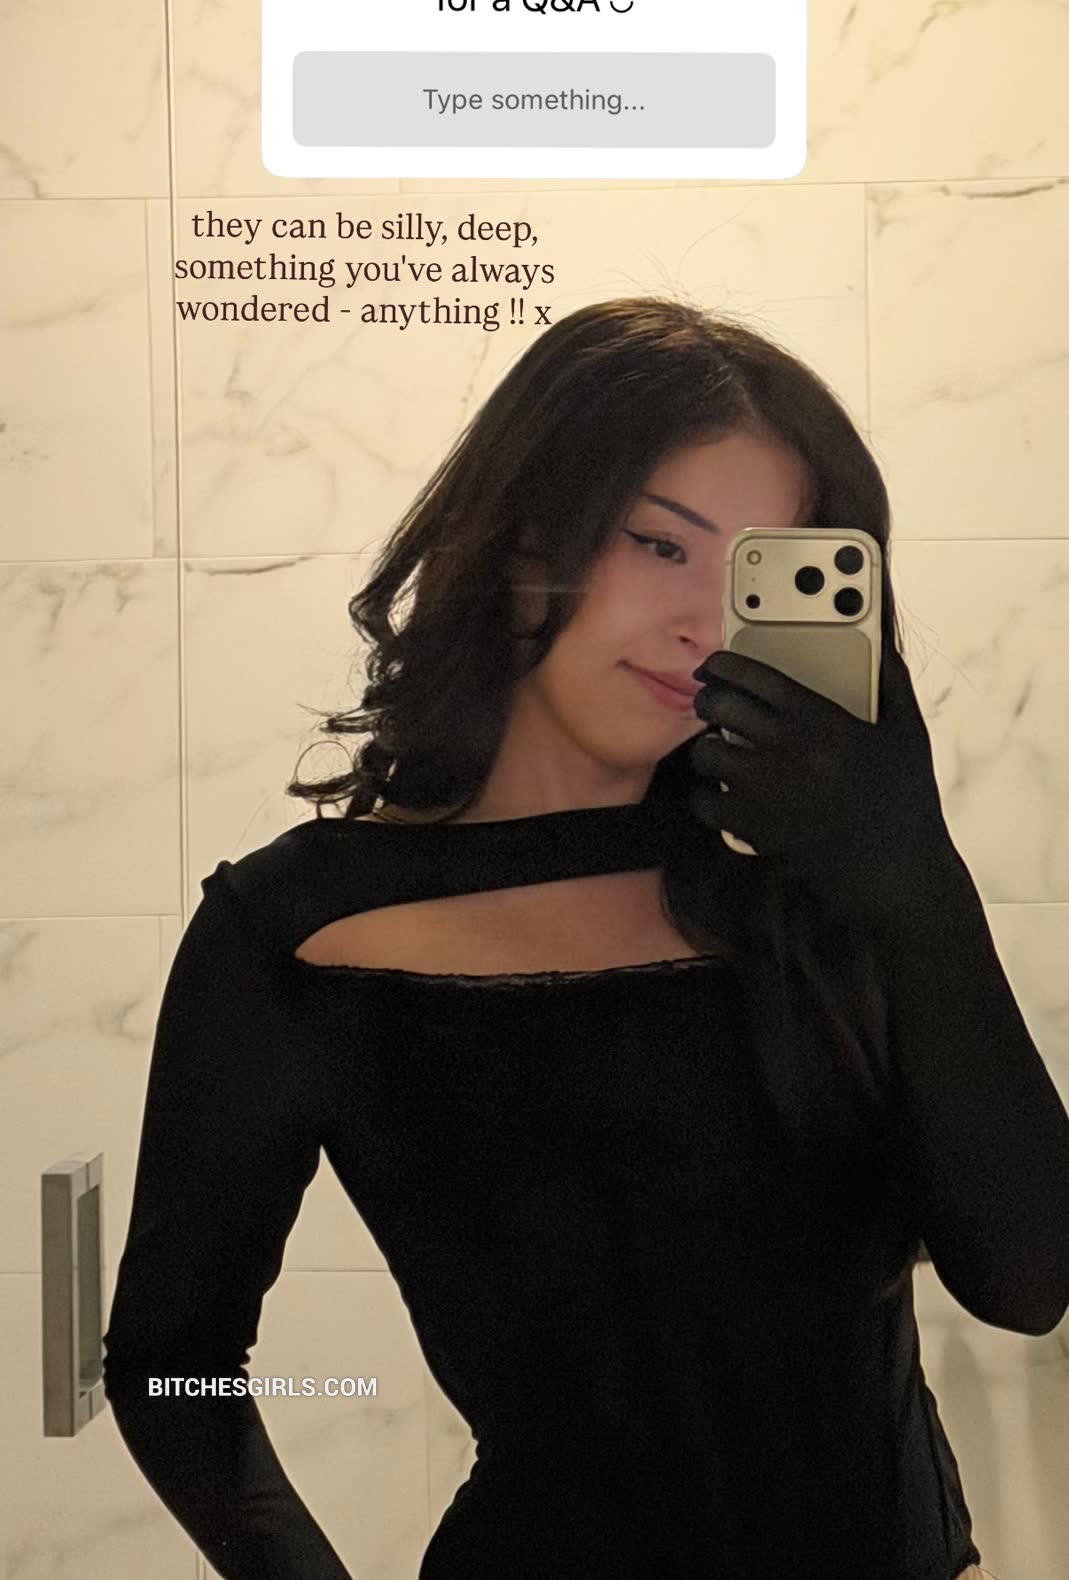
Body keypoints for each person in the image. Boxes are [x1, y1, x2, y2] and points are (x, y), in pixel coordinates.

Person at [101, 298, 1068, 1579]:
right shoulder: (295, 925)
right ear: (520, 535)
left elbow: (1025, 1279)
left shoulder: (813, 879)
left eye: (755, 574)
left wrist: (918, 881)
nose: (703, 624)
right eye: (660, 545)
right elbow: (171, 1363)